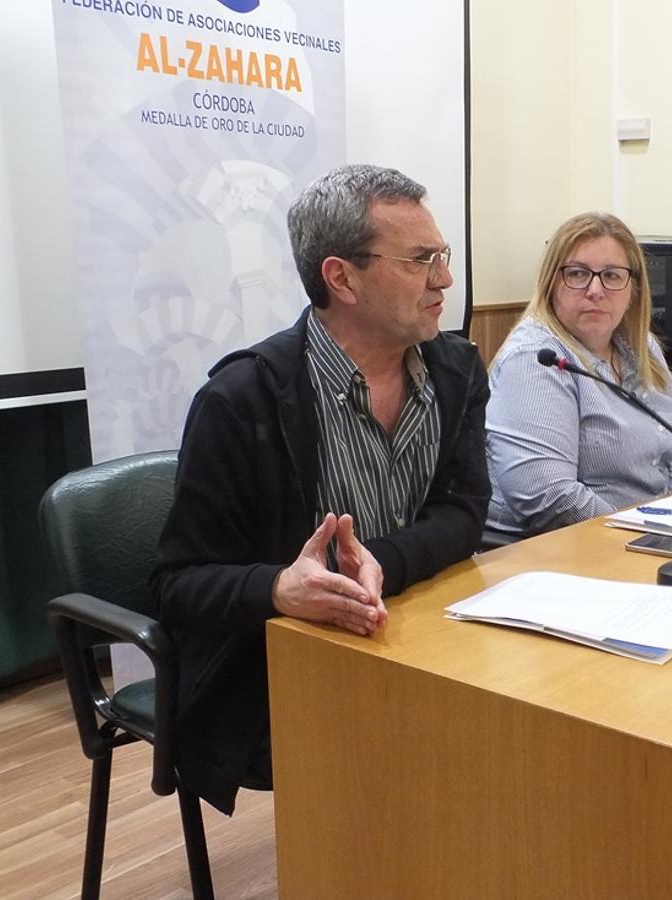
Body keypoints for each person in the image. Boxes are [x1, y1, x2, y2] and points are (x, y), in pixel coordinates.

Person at [150, 164, 490, 815]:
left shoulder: (455, 371)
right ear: (342, 277)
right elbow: (177, 584)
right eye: (421, 260)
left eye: (442, 256)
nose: (444, 279)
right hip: (278, 672)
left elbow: (463, 512)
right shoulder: (241, 400)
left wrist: (386, 561)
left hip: (415, 637)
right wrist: (281, 588)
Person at [485, 212, 672, 536]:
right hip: (563, 552)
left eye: (612, 276)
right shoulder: (535, 358)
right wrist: (643, 531)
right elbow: (549, 497)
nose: (596, 290)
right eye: (577, 274)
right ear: (550, 284)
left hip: (651, 537)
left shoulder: (640, 347)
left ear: (633, 289)